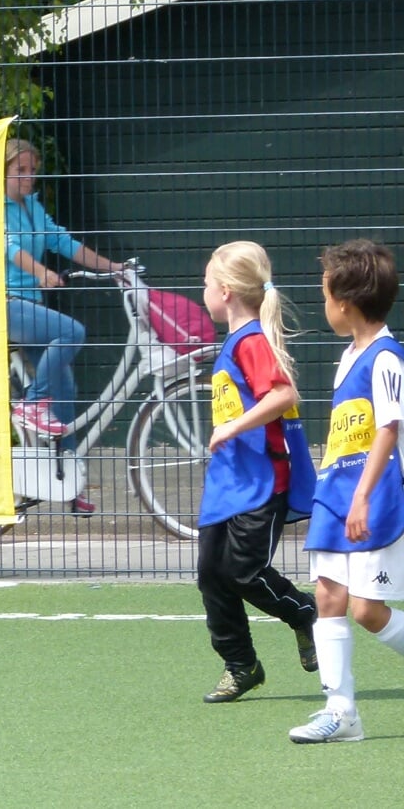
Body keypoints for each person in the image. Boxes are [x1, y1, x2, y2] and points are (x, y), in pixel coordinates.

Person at [289, 238, 404, 744]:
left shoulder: (386, 358)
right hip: (334, 496)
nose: (323, 303)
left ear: (345, 301)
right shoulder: (348, 355)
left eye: (325, 294)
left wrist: (361, 495)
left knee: (366, 609)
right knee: (328, 595)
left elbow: (389, 428)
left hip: (373, 498)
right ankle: (342, 712)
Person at [194, 241, 318, 703]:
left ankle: (304, 613)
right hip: (228, 480)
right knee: (211, 574)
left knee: (244, 571)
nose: (202, 289)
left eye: (206, 282)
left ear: (225, 291)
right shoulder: (234, 341)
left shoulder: (251, 342)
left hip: (262, 480)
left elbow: (282, 395)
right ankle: (240, 664)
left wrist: (233, 427)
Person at [3, 137, 123, 514]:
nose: (28, 178)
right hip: (4, 304)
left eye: (32, 170)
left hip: (31, 308)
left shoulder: (34, 207)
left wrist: (116, 268)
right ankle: (33, 404)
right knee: (71, 331)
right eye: (20, 170)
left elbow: (66, 243)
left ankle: (68, 483)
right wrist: (41, 272)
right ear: (2, 172)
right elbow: (8, 249)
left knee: (66, 386)